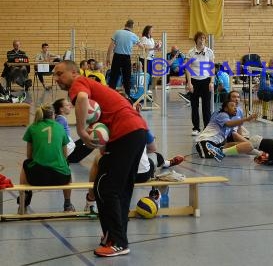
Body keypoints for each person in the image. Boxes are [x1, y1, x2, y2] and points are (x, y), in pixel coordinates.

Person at [53, 60, 147, 257]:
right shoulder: (90, 85)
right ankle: (113, 237)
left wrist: (80, 130)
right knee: (115, 188)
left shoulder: (79, 83)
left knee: (106, 187)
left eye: (60, 74)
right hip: (134, 132)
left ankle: (118, 242)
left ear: (74, 72)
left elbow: (81, 99)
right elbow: (103, 116)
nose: (56, 78)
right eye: (55, 75)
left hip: (126, 132)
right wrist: (105, 146)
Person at [84, 130, 184, 214]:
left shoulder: (111, 125)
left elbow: (103, 151)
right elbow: (153, 148)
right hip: (142, 176)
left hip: (121, 175)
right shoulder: (141, 124)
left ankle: (91, 202)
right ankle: (164, 167)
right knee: (153, 156)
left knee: (98, 158)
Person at [18, 104, 74, 213]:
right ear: (53, 115)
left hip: (36, 178)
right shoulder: (60, 127)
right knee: (66, 165)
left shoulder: (32, 127)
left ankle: (23, 203)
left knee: (26, 164)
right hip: (60, 178)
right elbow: (65, 155)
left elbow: (29, 155)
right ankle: (67, 204)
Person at [183, 31, 215, 135]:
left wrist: (211, 81)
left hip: (206, 81)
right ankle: (196, 128)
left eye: (203, 38)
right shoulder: (191, 52)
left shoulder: (209, 51)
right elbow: (187, 68)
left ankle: (207, 127)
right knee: (194, 106)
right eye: (200, 38)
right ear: (196, 40)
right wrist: (189, 83)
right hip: (194, 81)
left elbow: (212, 68)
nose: (202, 40)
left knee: (206, 107)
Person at [106, 19, 143, 102]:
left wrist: (108, 58)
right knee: (127, 78)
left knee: (113, 77)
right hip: (126, 58)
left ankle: (109, 97)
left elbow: (111, 47)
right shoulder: (133, 35)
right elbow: (142, 46)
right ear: (132, 27)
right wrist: (154, 47)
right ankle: (128, 98)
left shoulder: (117, 32)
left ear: (125, 25)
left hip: (117, 57)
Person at [53, 98, 94, 164]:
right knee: (93, 142)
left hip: (70, 149)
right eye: (66, 105)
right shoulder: (61, 120)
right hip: (69, 155)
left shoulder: (60, 118)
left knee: (85, 138)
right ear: (61, 109)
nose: (69, 106)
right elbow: (56, 136)